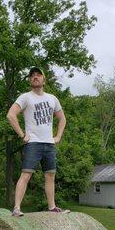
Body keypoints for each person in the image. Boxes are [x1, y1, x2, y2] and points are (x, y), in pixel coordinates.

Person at [6, 66, 70, 217]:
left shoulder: (52, 98)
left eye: (38, 75)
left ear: (44, 79)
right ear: (30, 80)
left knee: (50, 176)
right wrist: (22, 135)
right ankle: (16, 209)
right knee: (26, 175)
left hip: (49, 144)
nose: (35, 77)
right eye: (32, 75)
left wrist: (58, 136)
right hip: (33, 143)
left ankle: (52, 207)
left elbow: (62, 119)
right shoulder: (25, 97)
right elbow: (10, 115)